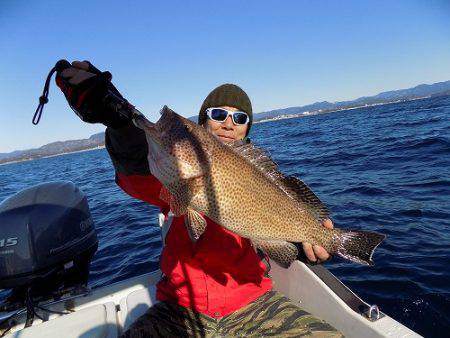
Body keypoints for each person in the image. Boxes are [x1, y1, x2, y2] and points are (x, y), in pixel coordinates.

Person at [57, 61, 343, 337]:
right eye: (219, 114)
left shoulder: (262, 181)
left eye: (240, 118)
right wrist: (117, 119)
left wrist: (308, 245)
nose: (229, 124)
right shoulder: (171, 176)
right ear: (203, 121)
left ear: (246, 129)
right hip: (179, 309)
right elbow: (136, 171)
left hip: (254, 302)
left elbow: (282, 234)